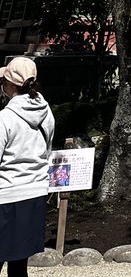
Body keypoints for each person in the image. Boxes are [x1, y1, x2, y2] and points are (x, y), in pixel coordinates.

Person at [0, 57, 55, 277]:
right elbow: (47, 150)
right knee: (18, 265)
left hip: (6, 195)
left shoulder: (5, 118)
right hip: (35, 194)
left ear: (11, 85)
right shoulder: (46, 112)